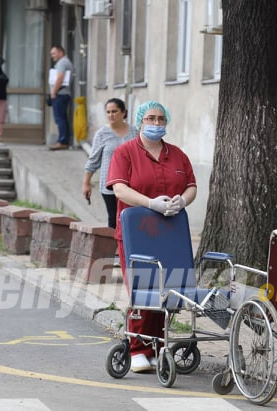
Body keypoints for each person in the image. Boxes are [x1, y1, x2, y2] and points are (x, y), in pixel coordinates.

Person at [107, 101, 197, 372]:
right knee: (143, 290)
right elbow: (120, 190)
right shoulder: (125, 153)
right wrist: (150, 203)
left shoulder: (178, 155)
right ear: (140, 121)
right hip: (136, 234)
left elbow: (191, 186)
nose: (156, 124)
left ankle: (157, 346)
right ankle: (137, 349)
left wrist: (182, 201)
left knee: (168, 291)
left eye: (160, 119)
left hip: (170, 234)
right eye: (150, 119)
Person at [83, 98, 138, 228]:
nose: (110, 115)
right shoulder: (102, 134)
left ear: (124, 112)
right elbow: (93, 160)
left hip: (132, 184)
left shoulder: (135, 132)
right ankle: (115, 247)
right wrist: (86, 183)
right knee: (114, 219)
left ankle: (130, 247)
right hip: (110, 185)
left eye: (114, 111)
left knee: (131, 217)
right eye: (108, 112)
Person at [48, 45, 74, 150]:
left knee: (60, 118)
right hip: (63, 94)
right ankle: (63, 140)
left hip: (60, 94)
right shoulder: (65, 62)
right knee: (61, 118)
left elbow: (60, 78)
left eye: (54, 53)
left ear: (60, 52)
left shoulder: (62, 62)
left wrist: (53, 92)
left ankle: (62, 141)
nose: (52, 56)